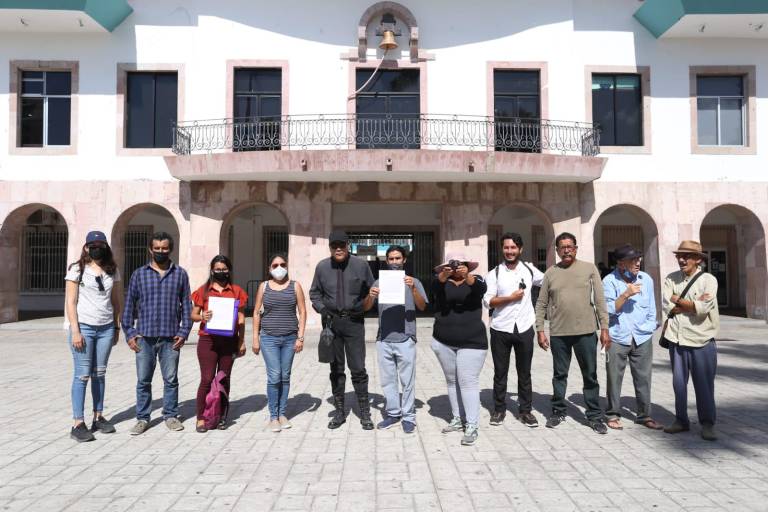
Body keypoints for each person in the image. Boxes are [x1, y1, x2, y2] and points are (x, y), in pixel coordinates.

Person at [535, 232, 611, 434]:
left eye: (570, 247)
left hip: (586, 332)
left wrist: (605, 329)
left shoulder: (589, 269)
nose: (566, 250)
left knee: (590, 375)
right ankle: (558, 410)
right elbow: (541, 303)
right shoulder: (550, 273)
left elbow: (601, 301)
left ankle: (594, 415)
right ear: (557, 250)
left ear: (576, 249)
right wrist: (540, 330)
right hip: (559, 333)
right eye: (563, 247)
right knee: (559, 375)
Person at [122, 232, 192, 435]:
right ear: (150, 250)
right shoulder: (139, 274)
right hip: (144, 337)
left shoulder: (180, 274)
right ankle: (142, 418)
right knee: (143, 381)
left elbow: (186, 305)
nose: (161, 251)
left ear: (170, 249)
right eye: (157, 248)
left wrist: (184, 331)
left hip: (171, 337)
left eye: (164, 248)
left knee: (171, 379)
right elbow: (129, 305)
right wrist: (129, 332)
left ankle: (170, 416)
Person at [309, 230, 375, 430]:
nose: (338, 249)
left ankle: (364, 412)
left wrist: (366, 302)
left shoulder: (361, 265)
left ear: (348, 246)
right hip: (332, 324)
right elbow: (314, 293)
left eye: (342, 245)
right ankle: (339, 412)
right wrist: (322, 309)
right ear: (330, 247)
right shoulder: (322, 267)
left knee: (358, 367)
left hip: (354, 323)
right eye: (334, 246)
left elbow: (371, 289)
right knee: (336, 368)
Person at [65, 231, 123, 442]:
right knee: (82, 375)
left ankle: (98, 417)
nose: (97, 248)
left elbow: (116, 301)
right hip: (84, 328)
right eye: (93, 245)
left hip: (105, 328)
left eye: (101, 245)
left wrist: (116, 327)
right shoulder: (77, 269)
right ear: (86, 247)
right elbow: (71, 302)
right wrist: (75, 330)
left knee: (99, 373)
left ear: (106, 247)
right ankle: (78, 423)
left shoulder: (112, 270)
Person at [483, 232, 544, 427]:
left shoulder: (530, 270)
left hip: (524, 327)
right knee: (500, 373)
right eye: (506, 247)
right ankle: (499, 410)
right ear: (502, 249)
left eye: (513, 247)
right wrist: (510, 298)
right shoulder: (494, 273)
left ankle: (525, 411)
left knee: (524, 373)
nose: (509, 251)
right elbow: (488, 301)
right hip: (500, 328)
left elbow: (549, 282)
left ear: (520, 249)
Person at [660, 240, 719, 441]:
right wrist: (692, 304)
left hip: (701, 340)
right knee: (679, 384)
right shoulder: (671, 279)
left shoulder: (709, 280)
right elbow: (667, 306)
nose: (681, 260)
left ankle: (707, 424)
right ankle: (681, 420)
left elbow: (704, 308)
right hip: (676, 339)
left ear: (698, 259)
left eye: (686, 256)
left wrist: (679, 300)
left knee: (704, 386)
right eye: (679, 256)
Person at [365, 246, 427, 434]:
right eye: (391, 259)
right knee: (388, 381)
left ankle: (408, 416)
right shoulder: (378, 282)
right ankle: (393, 413)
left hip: (405, 338)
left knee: (407, 381)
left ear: (404, 260)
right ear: (387, 261)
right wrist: (370, 296)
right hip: (384, 339)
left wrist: (413, 288)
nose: (394, 262)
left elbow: (422, 306)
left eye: (397, 258)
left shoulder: (414, 281)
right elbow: (366, 308)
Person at [602, 244, 662, 431]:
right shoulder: (609, 281)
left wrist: (650, 328)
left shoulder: (646, 279)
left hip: (642, 337)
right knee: (614, 378)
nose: (638, 263)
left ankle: (644, 415)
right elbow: (608, 310)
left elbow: (652, 308)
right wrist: (626, 294)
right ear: (621, 263)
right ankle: (612, 414)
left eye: (638, 259)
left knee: (644, 378)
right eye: (633, 260)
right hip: (617, 337)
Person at [431, 252, 487, 446]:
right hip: (443, 341)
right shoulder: (440, 281)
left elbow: (480, 289)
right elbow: (433, 288)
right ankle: (457, 418)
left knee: (468, 382)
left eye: (460, 264)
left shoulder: (476, 279)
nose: (456, 267)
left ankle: (471, 424)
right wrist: (443, 276)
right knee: (452, 381)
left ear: (467, 265)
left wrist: (467, 276)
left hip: (472, 341)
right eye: (452, 264)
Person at [190, 255, 248, 433]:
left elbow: (241, 319)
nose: (221, 272)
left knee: (224, 378)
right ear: (212, 270)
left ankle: (221, 415)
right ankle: (201, 418)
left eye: (224, 269)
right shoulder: (203, 291)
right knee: (207, 379)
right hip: (208, 340)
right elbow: (193, 315)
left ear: (229, 270)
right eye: (217, 269)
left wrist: (241, 341)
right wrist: (202, 316)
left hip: (229, 341)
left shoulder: (237, 291)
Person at [252, 253, 307, 432]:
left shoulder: (295, 286)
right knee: (275, 375)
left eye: (282, 264)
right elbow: (256, 312)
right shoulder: (264, 286)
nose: (279, 268)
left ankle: (282, 414)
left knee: (285, 376)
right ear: (269, 268)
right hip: (269, 338)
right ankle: (273, 416)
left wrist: (300, 337)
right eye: (275, 265)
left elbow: (302, 311)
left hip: (290, 338)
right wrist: (255, 338)